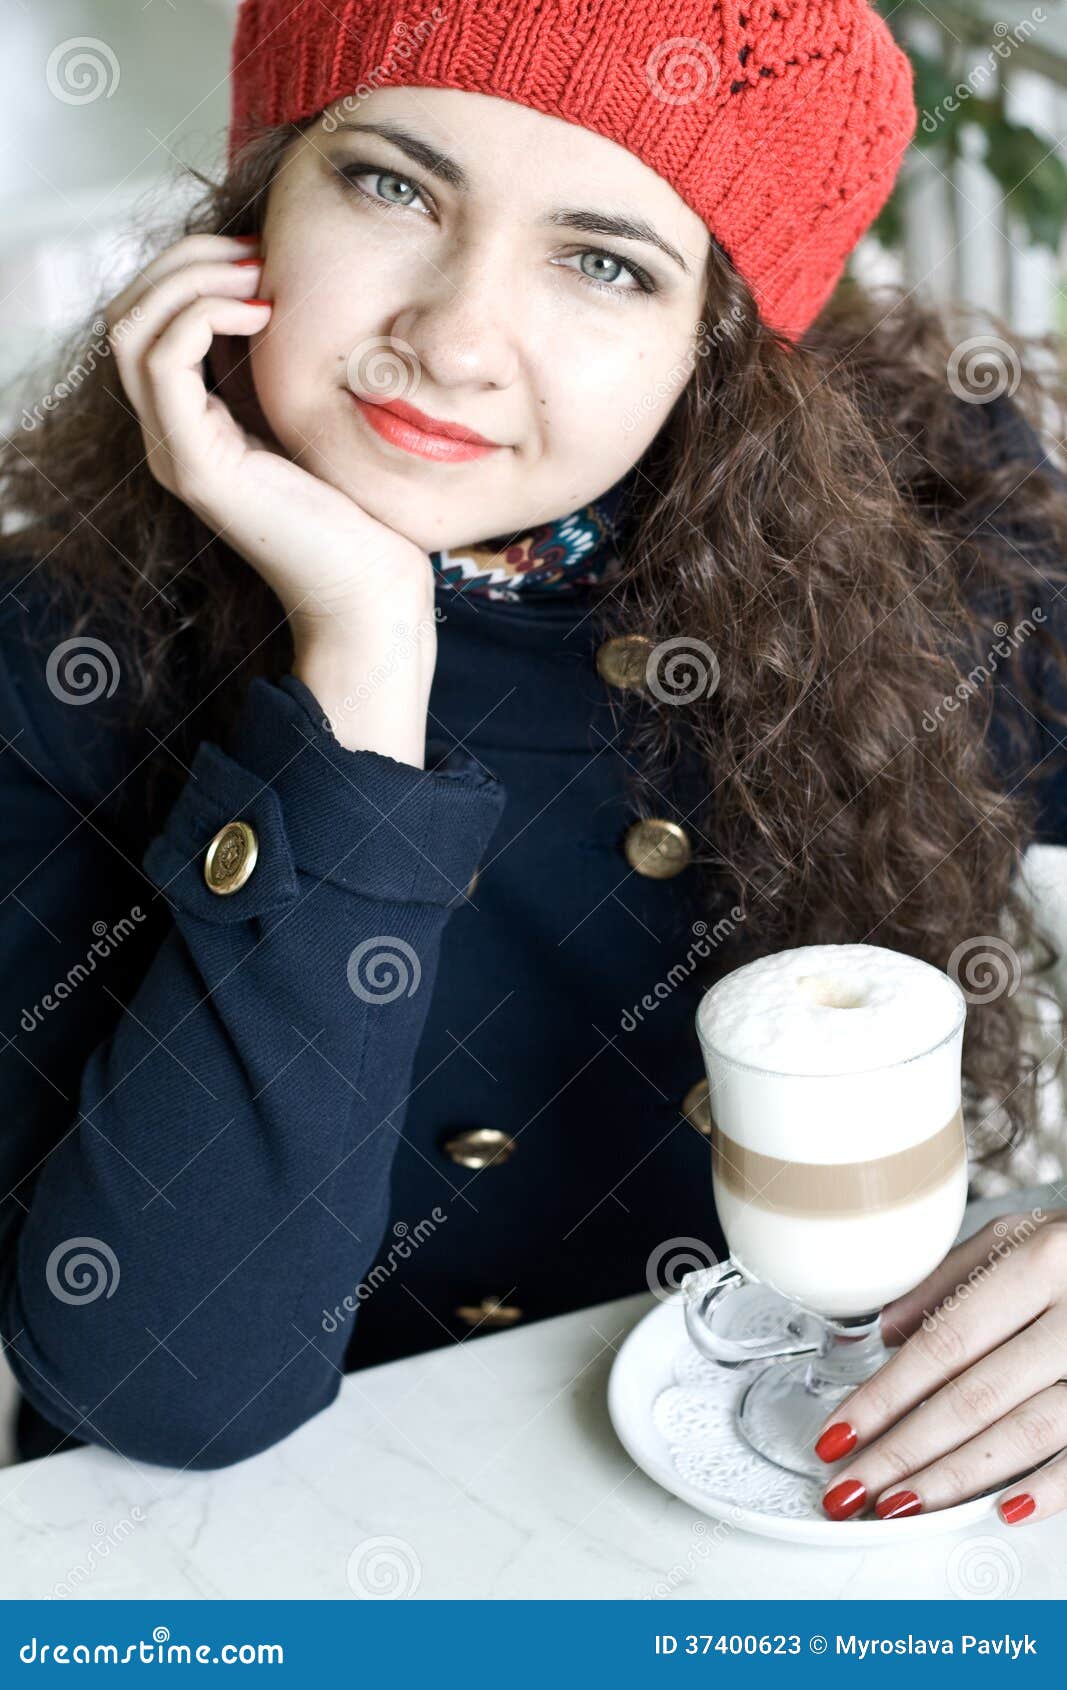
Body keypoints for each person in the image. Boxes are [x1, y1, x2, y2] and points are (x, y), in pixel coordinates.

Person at [1, 0, 1066, 1528]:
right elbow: (172, 1385)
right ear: (254, 204)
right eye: (389, 185)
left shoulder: (941, 536)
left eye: (604, 260)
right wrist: (360, 662)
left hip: (788, 1521)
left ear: (714, 338)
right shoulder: (51, 655)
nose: (449, 337)